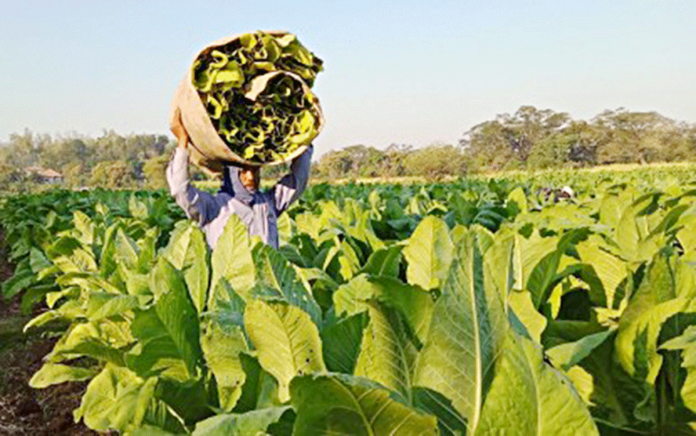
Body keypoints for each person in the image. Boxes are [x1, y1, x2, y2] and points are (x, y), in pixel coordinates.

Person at [166, 109, 313, 249]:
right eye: (243, 171)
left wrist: (302, 141)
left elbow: (298, 180)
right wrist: (183, 142)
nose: (250, 177)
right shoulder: (214, 207)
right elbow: (180, 190)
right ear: (230, 173)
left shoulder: (268, 204)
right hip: (230, 276)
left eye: (255, 171)